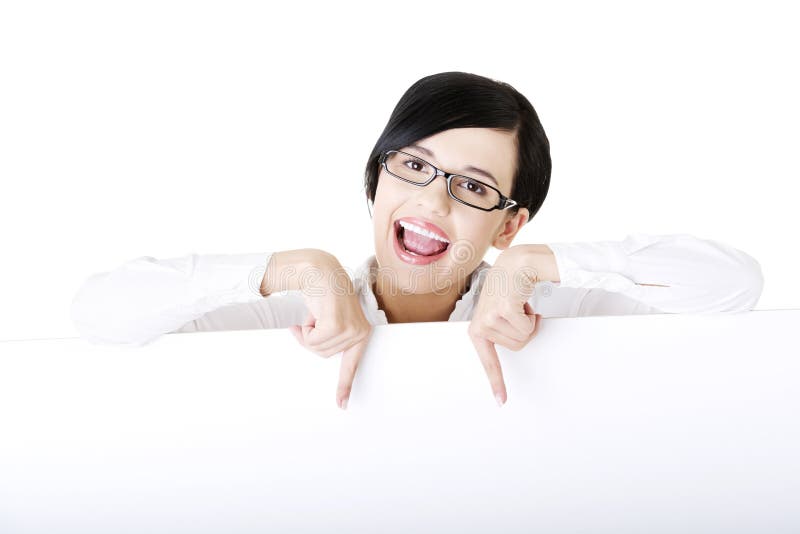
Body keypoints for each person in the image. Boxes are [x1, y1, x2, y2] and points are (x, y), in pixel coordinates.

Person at [70, 71, 764, 411]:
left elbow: (738, 287)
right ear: (378, 176)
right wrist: (294, 268)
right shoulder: (281, 309)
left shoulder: (557, 311)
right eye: (415, 166)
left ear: (510, 221)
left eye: (474, 187)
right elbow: (97, 315)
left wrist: (538, 264)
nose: (432, 201)